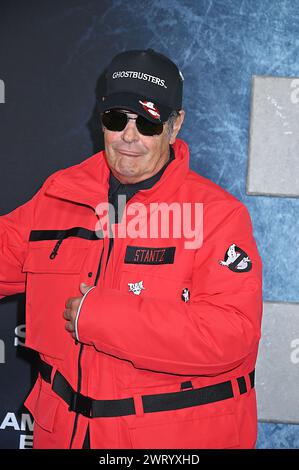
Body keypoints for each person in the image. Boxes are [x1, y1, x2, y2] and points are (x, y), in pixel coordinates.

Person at [0, 49, 262, 449]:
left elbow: (230, 335)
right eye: (116, 118)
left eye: (149, 123)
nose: (129, 136)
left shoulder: (218, 216)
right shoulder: (60, 194)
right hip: (64, 436)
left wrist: (102, 316)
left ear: (176, 126)